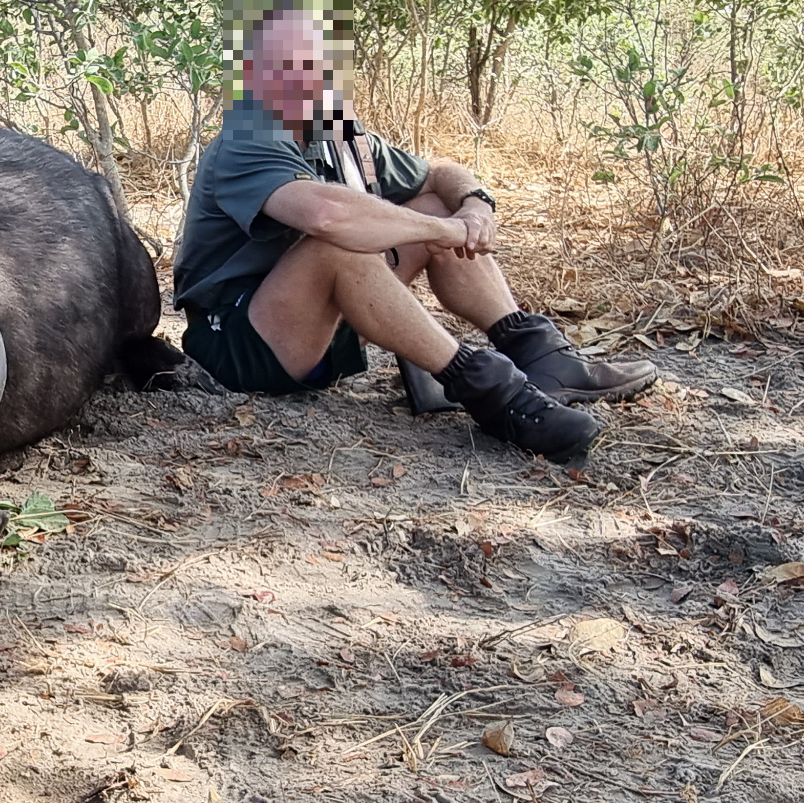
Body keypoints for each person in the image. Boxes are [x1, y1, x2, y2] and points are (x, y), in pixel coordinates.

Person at [172, 4, 658, 462]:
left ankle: (537, 352)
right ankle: (491, 392)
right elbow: (328, 218)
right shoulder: (246, 139)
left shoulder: (338, 133)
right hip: (237, 345)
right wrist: (443, 228)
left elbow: (439, 175)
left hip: (319, 331)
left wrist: (473, 205)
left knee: (426, 205)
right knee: (340, 245)